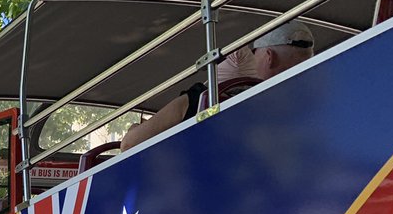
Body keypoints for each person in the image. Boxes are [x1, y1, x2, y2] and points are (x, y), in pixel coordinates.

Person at [120, 21, 315, 151]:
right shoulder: (311, 110)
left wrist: (134, 128)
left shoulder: (202, 100)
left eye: (255, 52)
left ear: (269, 57)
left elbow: (130, 144)